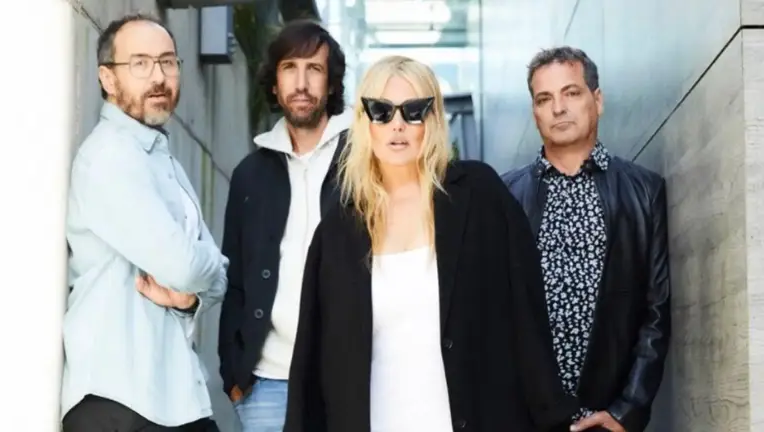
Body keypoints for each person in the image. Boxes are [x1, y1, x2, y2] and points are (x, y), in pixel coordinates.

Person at [283, 55, 577, 432]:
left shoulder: (480, 196)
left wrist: (554, 417)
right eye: (381, 111)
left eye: (413, 111)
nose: (398, 125)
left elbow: (528, 319)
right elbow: (312, 362)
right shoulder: (338, 231)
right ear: (364, 121)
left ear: (433, 118)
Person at [62, 14, 226, 432]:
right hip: (118, 398)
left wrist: (190, 298)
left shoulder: (164, 160)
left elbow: (218, 282)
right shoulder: (110, 156)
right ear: (108, 78)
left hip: (175, 398)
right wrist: (207, 264)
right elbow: (187, 266)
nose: (158, 77)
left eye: (168, 62)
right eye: (140, 63)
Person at [502, 46, 671, 432]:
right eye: (544, 99)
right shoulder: (504, 196)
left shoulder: (644, 191)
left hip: (605, 419)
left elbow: (656, 312)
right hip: (522, 418)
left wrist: (627, 411)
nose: (558, 108)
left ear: (598, 100)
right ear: (535, 112)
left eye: (571, 93)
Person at [218, 20, 352, 431]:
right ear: (274, 84)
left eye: (315, 69)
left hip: (346, 379)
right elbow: (235, 279)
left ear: (332, 84)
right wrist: (233, 374)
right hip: (267, 384)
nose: (301, 83)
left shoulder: (363, 162)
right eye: (290, 68)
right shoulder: (249, 175)